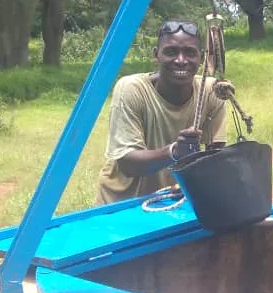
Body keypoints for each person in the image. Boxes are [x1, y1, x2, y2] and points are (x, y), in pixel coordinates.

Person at [95, 20, 228, 205]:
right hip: (122, 205)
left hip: (171, 201)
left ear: (202, 58)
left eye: (190, 53)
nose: (181, 60)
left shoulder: (212, 91)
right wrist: (174, 151)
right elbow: (128, 164)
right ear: (156, 55)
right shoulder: (132, 89)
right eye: (171, 52)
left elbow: (215, 158)